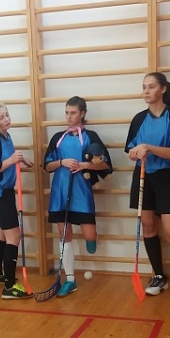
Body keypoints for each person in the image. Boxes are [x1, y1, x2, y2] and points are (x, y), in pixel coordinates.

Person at [125, 72, 170, 300]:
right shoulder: (139, 119)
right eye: (144, 87)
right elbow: (130, 151)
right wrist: (136, 153)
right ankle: (159, 276)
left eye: (151, 86)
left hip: (167, 178)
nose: (146, 91)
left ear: (163, 89)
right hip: (143, 177)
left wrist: (148, 147)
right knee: (149, 227)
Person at [44, 96, 112, 297]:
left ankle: (92, 239)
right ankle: (70, 279)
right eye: (67, 112)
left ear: (82, 114)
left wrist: (84, 165)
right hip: (60, 192)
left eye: (73, 113)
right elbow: (47, 165)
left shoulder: (91, 136)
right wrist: (62, 162)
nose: (69, 116)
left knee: (89, 234)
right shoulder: (57, 138)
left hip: (81, 192)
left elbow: (105, 164)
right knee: (64, 235)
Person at [0, 101, 34, 299]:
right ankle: (10, 286)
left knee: (3, 234)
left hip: (5, 193)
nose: (6, 119)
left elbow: (7, 158)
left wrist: (20, 160)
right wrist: (12, 160)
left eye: (7, 114)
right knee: (14, 236)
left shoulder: (5, 136)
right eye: (1, 117)